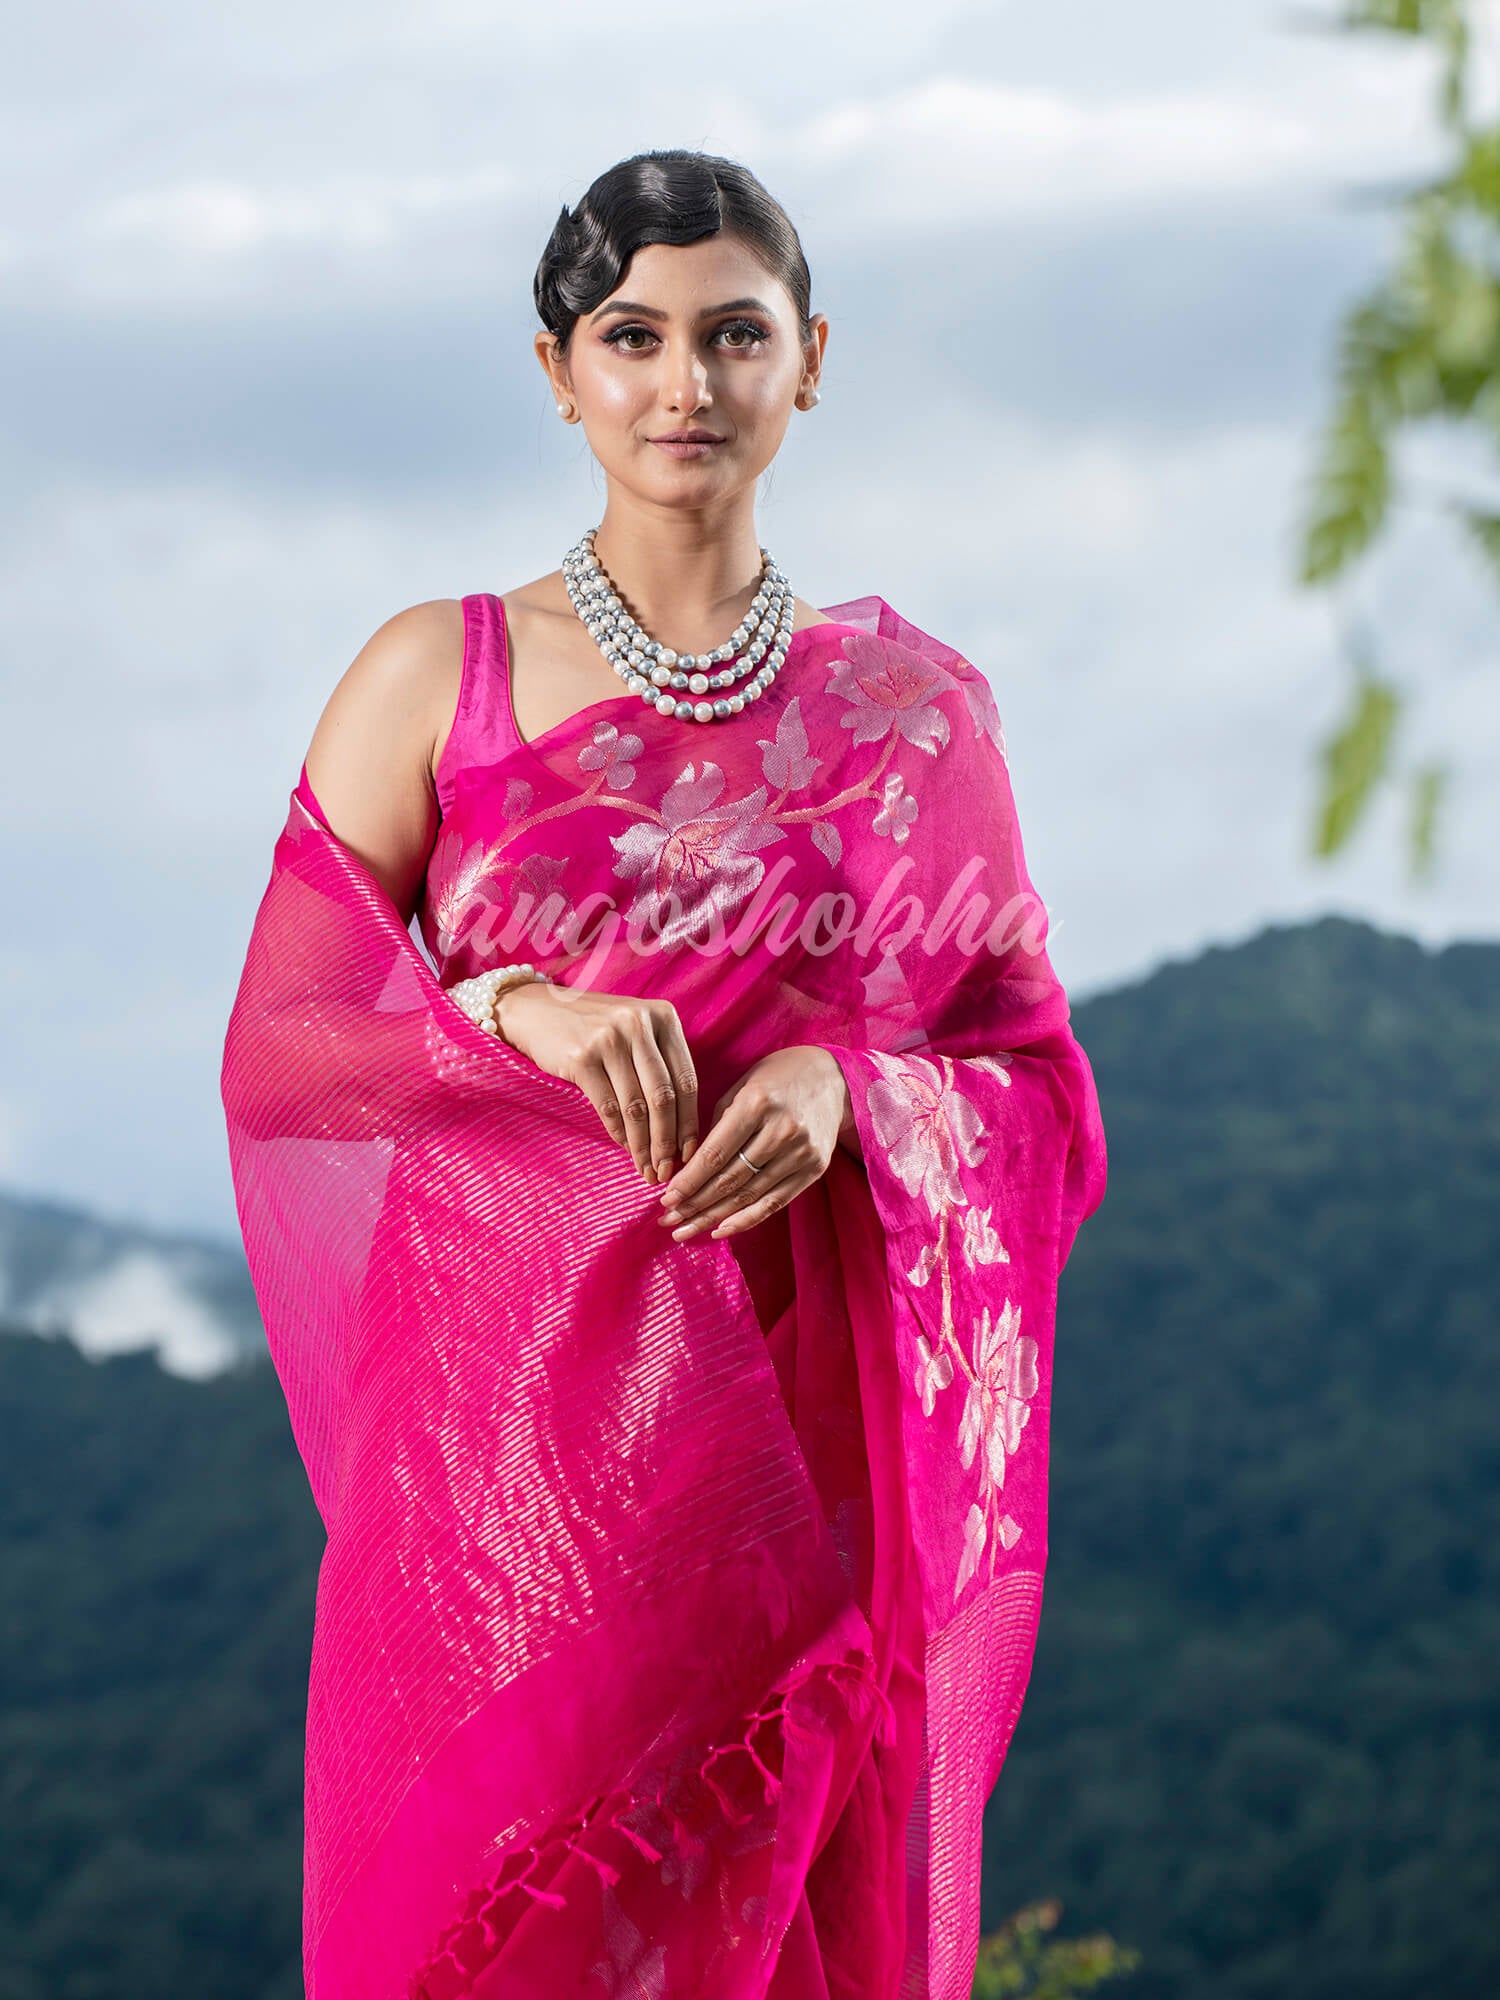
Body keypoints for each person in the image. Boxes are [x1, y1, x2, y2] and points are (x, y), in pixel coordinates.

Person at [221, 147, 1108, 2000]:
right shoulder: (433, 678)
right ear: (561, 374)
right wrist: (505, 1015)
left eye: (733, 334)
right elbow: (286, 1054)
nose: (683, 384)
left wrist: (853, 1094)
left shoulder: (912, 714)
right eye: (632, 337)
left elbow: (1033, 1083)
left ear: (811, 359)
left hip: (803, 1463)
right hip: (502, 1487)